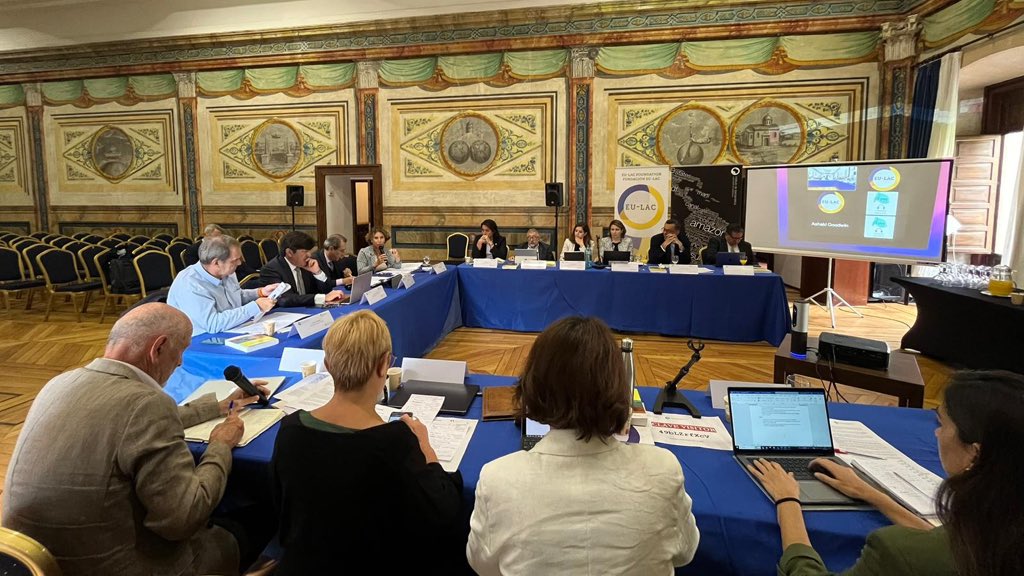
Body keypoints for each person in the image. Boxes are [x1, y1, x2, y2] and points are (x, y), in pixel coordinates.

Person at [2, 303, 275, 576]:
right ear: (159, 348)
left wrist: (217, 406)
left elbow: (126, 420)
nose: (180, 362)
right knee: (262, 512)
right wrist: (220, 445)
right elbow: (184, 518)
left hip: (25, 561)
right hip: (117, 567)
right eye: (181, 351)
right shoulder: (148, 404)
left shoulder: (60, 383)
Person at [467, 316, 700, 574]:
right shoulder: (664, 468)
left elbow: (482, 566)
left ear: (534, 387)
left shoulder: (497, 479)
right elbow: (686, 552)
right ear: (618, 386)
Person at [749, 370, 1024, 576]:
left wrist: (787, 501)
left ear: (975, 453)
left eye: (942, 424)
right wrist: (871, 493)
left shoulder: (899, 552)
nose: (937, 433)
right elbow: (950, 544)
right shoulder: (997, 532)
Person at [272, 310, 464, 574]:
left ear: (327, 365)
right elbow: (444, 509)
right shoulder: (394, 442)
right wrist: (426, 447)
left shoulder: (290, 429)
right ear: (384, 365)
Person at [167, 235, 279, 336]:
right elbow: (213, 324)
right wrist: (256, 307)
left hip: (230, 330)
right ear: (216, 263)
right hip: (198, 341)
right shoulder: (190, 284)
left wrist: (260, 292)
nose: (239, 263)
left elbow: (235, 297)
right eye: (235, 260)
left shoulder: (226, 272)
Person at [259, 231, 346, 308]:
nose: (309, 255)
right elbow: (285, 299)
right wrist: (322, 298)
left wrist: (317, 272)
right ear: (289, 252)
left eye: (309, 251)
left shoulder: (306, 264)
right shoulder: (271, 269)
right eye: (305, 251)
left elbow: (327, 290)